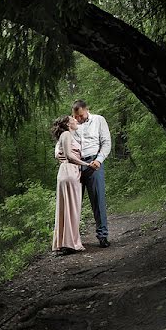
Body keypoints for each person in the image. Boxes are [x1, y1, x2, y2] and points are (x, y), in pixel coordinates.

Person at [71, 99, 112, 247]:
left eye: (80, 116)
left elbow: (106, 142)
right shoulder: (72, 125)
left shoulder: (99, 120)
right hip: (75, 165)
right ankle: (72, 241)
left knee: (98, 200)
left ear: (86, 109)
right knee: (74, 203)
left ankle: (102, 236)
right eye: (76, 117)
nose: (79, 119)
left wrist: (99, 160)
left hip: (94, 163)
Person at [51, 115, 92, 255]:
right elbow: (69, 155)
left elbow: (61, 152)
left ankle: (64, 243)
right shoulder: (67, 134)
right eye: (72, 119)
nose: (75, 120)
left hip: (66, 171)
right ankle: (70, 244)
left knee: (66, 208)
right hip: (70, 171)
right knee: (72, 208)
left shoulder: (65, 135)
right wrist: (87, 164)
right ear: (68, 124)